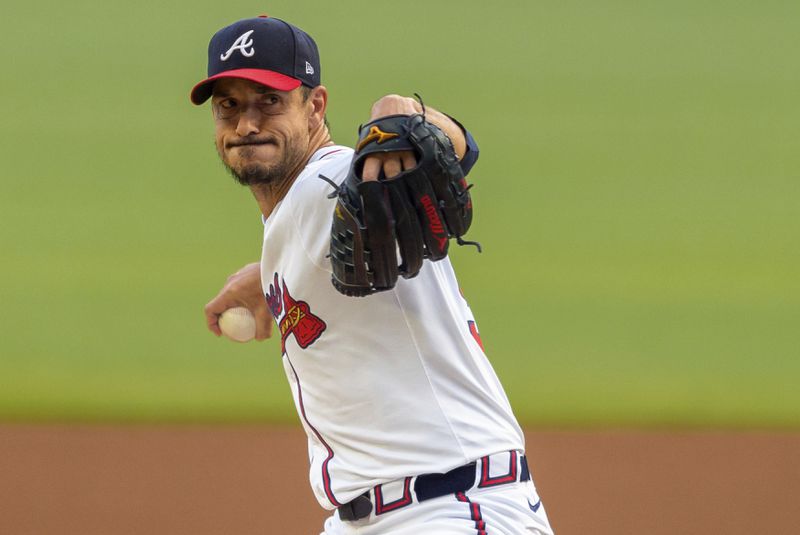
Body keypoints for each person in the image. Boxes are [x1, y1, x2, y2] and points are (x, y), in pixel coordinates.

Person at [191, 15, 554, 535]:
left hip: (447, 510)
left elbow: (449, 153)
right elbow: (321, 236)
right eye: (230, 106)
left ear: (315, 106)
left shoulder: (338, 178)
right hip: (386, 515)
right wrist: (267, 275)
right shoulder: (300, 212)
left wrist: (403, 113)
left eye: (269, 101)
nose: (247, 125)